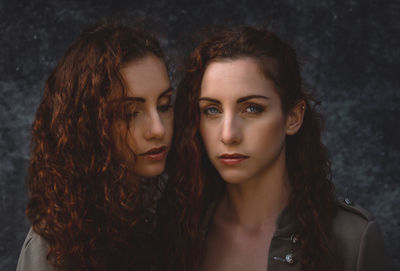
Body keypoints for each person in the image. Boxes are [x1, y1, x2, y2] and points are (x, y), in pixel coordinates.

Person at [157, 26, 388, 271]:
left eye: (252, 108)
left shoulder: (352, 239)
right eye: (212, 110)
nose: (228, 135)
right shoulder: (175, 228)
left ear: (293, 117)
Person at [17, 21, 173, 271]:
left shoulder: (165, 208)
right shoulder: (56, 243)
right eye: (131, 113)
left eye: (164, 106)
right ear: (89, 124)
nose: (158, 129)